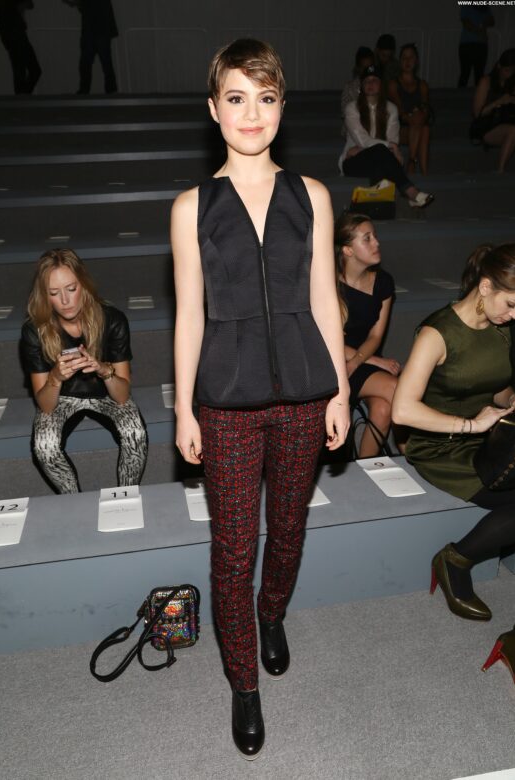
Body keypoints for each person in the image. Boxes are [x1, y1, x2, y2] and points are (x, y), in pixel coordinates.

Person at [171, 38, 349, 759]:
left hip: (305, 394)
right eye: (237, 98)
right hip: (227, 402)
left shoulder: (313, 196)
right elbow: (189, 314)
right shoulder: (192, 207)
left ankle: (271, 614)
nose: (252, 113)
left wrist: (338, 389)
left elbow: (325, 299)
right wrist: (184, 408)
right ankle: (244, 685)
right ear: (214, 109)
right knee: (233, 547)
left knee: (291, 529)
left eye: (266, 98)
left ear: (281, 107)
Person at [392, 243, 515, 688]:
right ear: (485, 287)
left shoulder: (501, 328)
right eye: (511, 303)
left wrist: (511, 401)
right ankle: (454, 560)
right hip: (440, 446)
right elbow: (402, 410)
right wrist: (470, 424)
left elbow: (495, 387)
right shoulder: (437, 333)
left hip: (488, 439)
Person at [20, 249, 147, 494]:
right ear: (45, 296)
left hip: (106, 394)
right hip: (61, 398)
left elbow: (122, 396)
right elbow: (46, 405)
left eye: (71, 288)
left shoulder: (112, 319)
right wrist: (55, 377)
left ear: (84, 285)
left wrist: (103, 369)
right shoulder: (35, 330)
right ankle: (73, 501)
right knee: (45, 446)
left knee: (135, 433)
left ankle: (127, 498)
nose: (65, 300)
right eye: (54, 293)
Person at [335, 212, 400, 457]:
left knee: (383, 409)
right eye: (367, 238)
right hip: (333, 362)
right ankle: (416, 454)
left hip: (361, 360)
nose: (377, 243)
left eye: (375, 236)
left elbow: (375, 336)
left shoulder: (383, 282)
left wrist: (359, 362)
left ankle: (366, 467)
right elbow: (327, 340)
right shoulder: (328, 283)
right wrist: (373, 361)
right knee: (396, 390)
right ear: (348, 250)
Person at [340, 64, 434, 208]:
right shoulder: (352, 108)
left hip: (379, 160)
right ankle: (411, 192)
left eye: (374, 80)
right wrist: (390, 146)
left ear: (381, 85)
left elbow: (392, 140)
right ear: (362, 86)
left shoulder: (391, 109)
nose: (370, 83)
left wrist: (387, 146)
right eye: (367, 81)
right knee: (381, 151)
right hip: (353, 162)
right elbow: (363, 140)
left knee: (381, 160)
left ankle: (379, 207)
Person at [471, 49, 515, 174]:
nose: (509, 74)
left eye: (512, 71)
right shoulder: (486, 81)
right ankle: (500, 170)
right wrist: (499, 102)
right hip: (486, 126)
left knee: (513, 129)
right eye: (507, 70)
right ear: (499, 66)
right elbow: (477, 114)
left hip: (507, 121)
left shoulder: (513, 82)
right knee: (513, 130)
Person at [388, 44, 431, 175]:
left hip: (417, 125)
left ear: (416, 61)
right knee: (421, 126)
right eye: (404, 58)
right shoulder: (393, 84)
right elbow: (399, 111)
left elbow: (425, 108)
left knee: (424, 128)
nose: (407, 61)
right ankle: (416, 166)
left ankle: (414, 163)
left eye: (411, 57)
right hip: (399, 128)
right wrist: (413, 117)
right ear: (400, 61)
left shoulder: (422, 85)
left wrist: (419, 115)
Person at [62, 0, 118, 94]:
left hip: (97, 30)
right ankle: (109, 90)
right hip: (97, 29)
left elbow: (86, 7)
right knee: (99, 63)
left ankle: (87, 90)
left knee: (96, 63)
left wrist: (76, 3)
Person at [0, 0, 41, 94]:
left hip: (11, 33)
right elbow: (29, 5)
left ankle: (22, 97)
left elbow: (28, 5)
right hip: (15, 33)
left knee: (23, 70)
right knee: (26, 70)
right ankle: (22, 96)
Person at [458, 7, 494, 88]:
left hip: (481, 44)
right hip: (467, 44)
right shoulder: (466, 7)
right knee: (465, 73)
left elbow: (492, 21)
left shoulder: (486, 8)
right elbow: (466, 23)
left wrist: (483, 24)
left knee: (479, 73)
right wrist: (480, 32)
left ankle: (479, 93)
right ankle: (460, 94)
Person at [340, 46, 375, 129]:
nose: (367, 71)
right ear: (358, 68)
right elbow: (345, 112)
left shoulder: (379, 85)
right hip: (354, 127)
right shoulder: (350, 88)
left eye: (369, 67)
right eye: (364, 68)